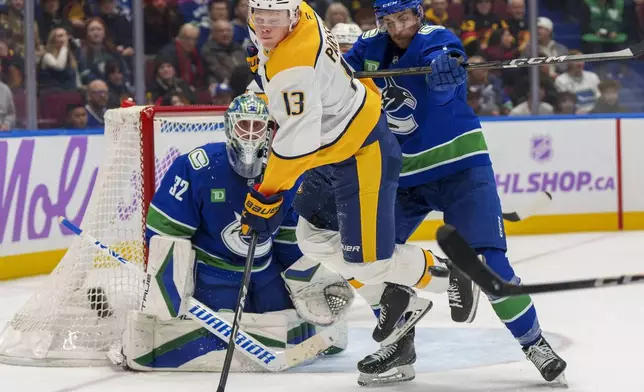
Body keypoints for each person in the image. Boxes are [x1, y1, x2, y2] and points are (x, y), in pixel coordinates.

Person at [238, 0, 475, 372]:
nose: (265, 27)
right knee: (312, 237)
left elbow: (293, 146)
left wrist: (267, 196)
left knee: (367, 261)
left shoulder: (293, 68)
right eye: (259, 19)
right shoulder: (292, 12)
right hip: (329, 149)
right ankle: (395, 297)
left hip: (361, 149)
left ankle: (449, 273)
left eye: (274, 20)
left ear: (293, 17)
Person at [343, 0, 567, 385]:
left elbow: (445, 60)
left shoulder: (436, 38)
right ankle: (400, 345)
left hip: (460, 165)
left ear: (419, 15)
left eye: (405, 18)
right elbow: (335, 72)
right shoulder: (370, 46)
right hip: (402, 174)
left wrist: (446, 78)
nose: (398, 28)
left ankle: (535, 343)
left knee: (490, 263)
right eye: (389, 21)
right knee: (362, 256)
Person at [112, 93, 350, 371]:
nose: (250, 134)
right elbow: (166, 233)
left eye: (257, 126)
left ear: (268, 130)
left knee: (297, 321)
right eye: (243, 126)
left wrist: (308, 279)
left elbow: (288, 238)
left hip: (263, 272)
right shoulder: (198, 167)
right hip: (213, 276)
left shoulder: (285, 170)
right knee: (229, 324)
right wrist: (167, 293)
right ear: (229, 127)